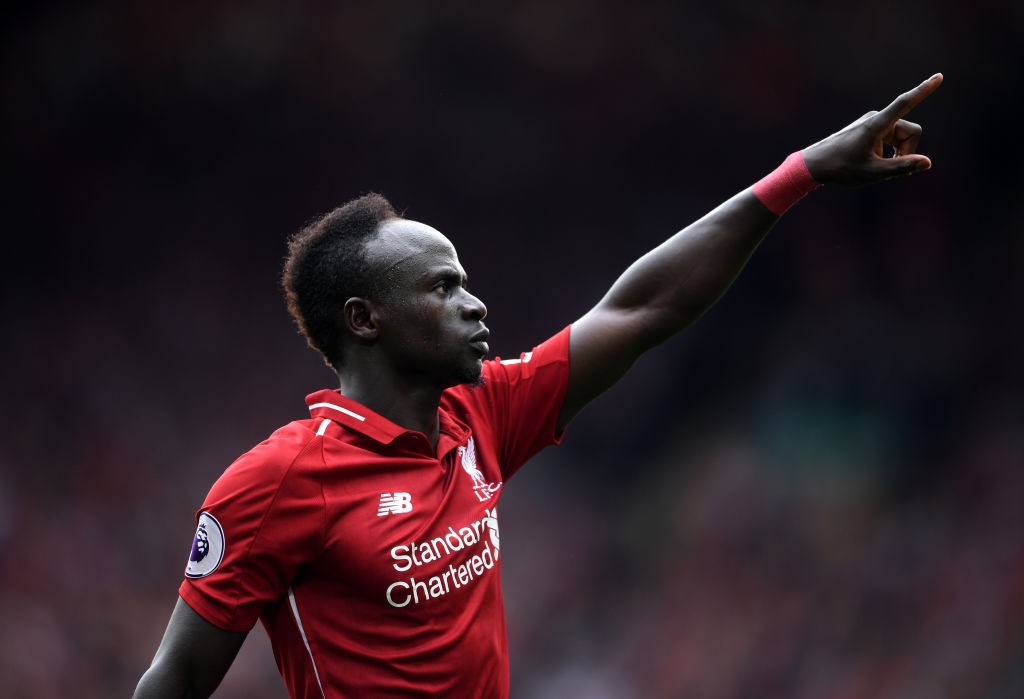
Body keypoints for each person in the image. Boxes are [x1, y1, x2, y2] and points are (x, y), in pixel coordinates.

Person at [134, 73, 943, 698]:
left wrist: (801, 174)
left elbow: (643, 306)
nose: (475, 302)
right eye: (442, 288)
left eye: (466, 282)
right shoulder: (276, 484)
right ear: (365, 318)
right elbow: (174, 681)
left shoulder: (483, 410)